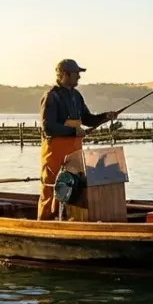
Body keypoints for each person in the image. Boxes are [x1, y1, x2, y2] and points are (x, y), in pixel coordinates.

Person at [37, 59, 118, 220]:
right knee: (50, 186)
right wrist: (74, 130)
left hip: (74, 151)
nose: (79, 77)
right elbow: (48, 127)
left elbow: (88, 119)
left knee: (75, 187)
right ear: (65, 74)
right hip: (55, 150)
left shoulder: (76, 96)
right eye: (76, 74)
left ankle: (70, 219)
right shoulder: (51, 97)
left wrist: (105, 117)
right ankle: (44, 221)